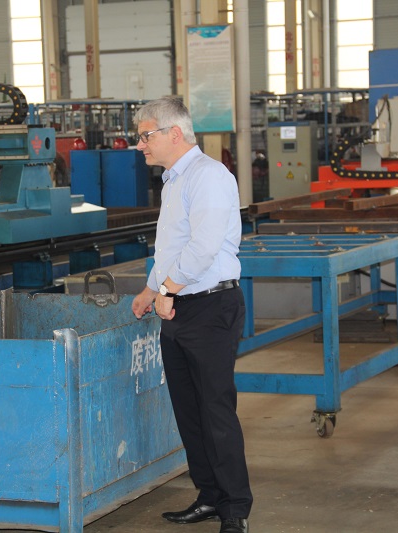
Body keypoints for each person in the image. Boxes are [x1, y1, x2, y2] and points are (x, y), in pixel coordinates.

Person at [131, 96, 251, 533]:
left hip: (210, 307)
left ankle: (235, 509)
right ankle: (210, 496)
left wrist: (168, 290)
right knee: (189, 409)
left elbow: (203, 247)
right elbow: (173, 246)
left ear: (174, 133)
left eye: (146, 136)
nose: (140, 145)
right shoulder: (174, 181)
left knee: (215, 410)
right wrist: (152, 288)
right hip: (179, 307)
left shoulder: (209, 176)